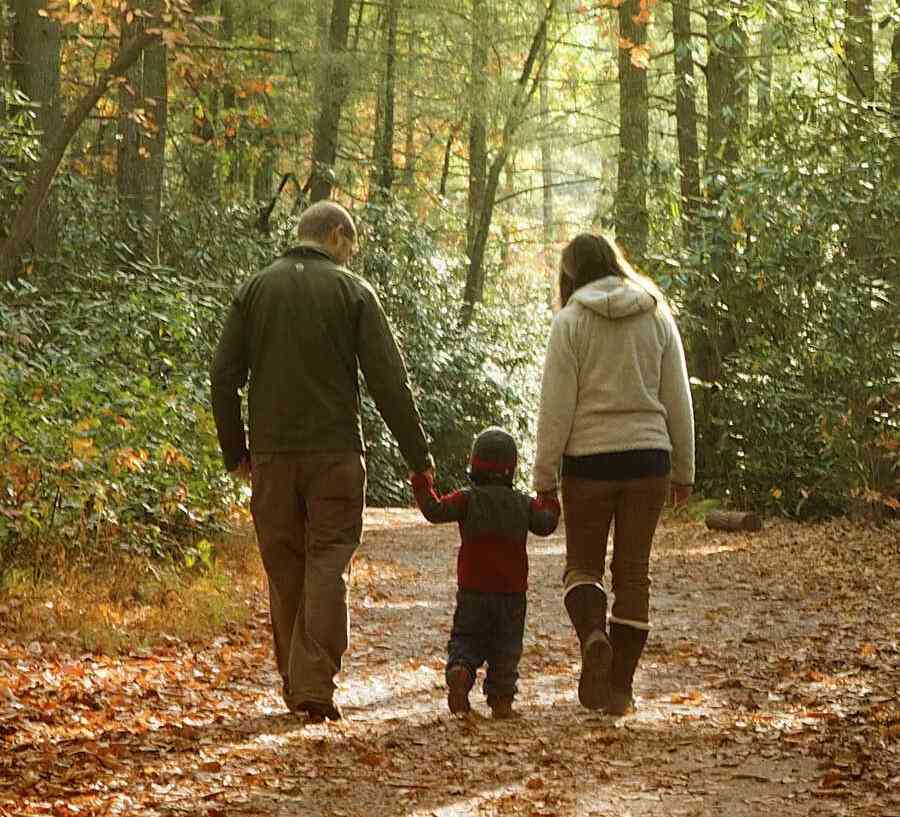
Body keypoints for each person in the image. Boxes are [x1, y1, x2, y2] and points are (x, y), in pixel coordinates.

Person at [210, 200, 433, 723]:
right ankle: (312, 683)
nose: (351, 257)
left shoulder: (254, 290)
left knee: (285, 567)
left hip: (271, 455)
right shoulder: (353, 292)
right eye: (350, 246)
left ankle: (298, 682)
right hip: (336, 454)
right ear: (336, 235)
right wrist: (418, 458)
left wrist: (235, 451)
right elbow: (390, 383)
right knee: (329, 560)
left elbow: (223, 377)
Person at [531, 233, 694, 715]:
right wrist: (684, 468)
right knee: (634, 574)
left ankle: (593, 636)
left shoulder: (571, 321)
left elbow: (555, 406)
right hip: (649, 460)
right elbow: (677, 398)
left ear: (572, 273)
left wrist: (544, 475)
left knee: (582, 566)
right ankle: (620, 688)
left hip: (589, 462)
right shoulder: (656, 313)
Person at [411, 427, 561, 719]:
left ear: (474, 464)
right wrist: (550, 498)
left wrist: (421, 481)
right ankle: (502, 701)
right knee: (506, 647)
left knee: (466, 638)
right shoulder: (523, 504)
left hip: (473, 591)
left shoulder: (468, 499)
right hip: (511, 594)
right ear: (511, 469)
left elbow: (434, 510)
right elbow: (546, 524)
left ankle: (461, 671)